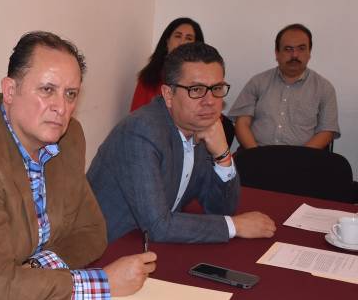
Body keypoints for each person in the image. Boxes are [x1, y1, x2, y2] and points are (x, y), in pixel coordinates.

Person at [0, 31, 157, 300]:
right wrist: (102, 284)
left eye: (70, 94)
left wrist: (34, 268)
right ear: (10, 91)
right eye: (47, 90)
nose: (61, 107)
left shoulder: (69, 139)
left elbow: (92, 232)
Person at [88, 42, 276, 243]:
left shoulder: (201, 128)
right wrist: (234, 226)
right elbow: (158, 226)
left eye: (216, 88)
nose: (210, 101)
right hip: (108, 247)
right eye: (196, 89)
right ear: (168, 95)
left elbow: (220, 209)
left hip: (151, 244)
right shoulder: (141, 131)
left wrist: (222, 155)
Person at [228, 23, 340, 149]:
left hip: (304, 156)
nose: (295, 55)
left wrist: (302, 157)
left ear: (309, 52)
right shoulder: (257, 82)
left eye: (301, 48)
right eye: (288, 49)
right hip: (258, 152)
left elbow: (326, 131)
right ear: (277, 53)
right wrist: (256, 154)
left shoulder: (324, 88)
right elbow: (242, 123)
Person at [130, 17, 204, 111]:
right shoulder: (149, 78)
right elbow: (136, 115)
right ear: (167, 42)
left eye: (188, 38)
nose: (182, 42)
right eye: (178, 36)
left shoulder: (204, 80)